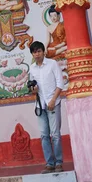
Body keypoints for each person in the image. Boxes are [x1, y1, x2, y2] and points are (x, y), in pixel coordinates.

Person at [28, 40, 65, 173]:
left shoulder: (52, 64)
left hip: (53, 103)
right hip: (40, 105)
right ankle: (49, 163)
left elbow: (60, 83)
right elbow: (33, 90)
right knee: (44, 135)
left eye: (38, 51)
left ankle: (59, 162)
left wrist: (53, 100)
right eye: (34, 52)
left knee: (55, 134)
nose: (36, 54)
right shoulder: (32, 68)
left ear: (43, 52)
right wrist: (34, 89)